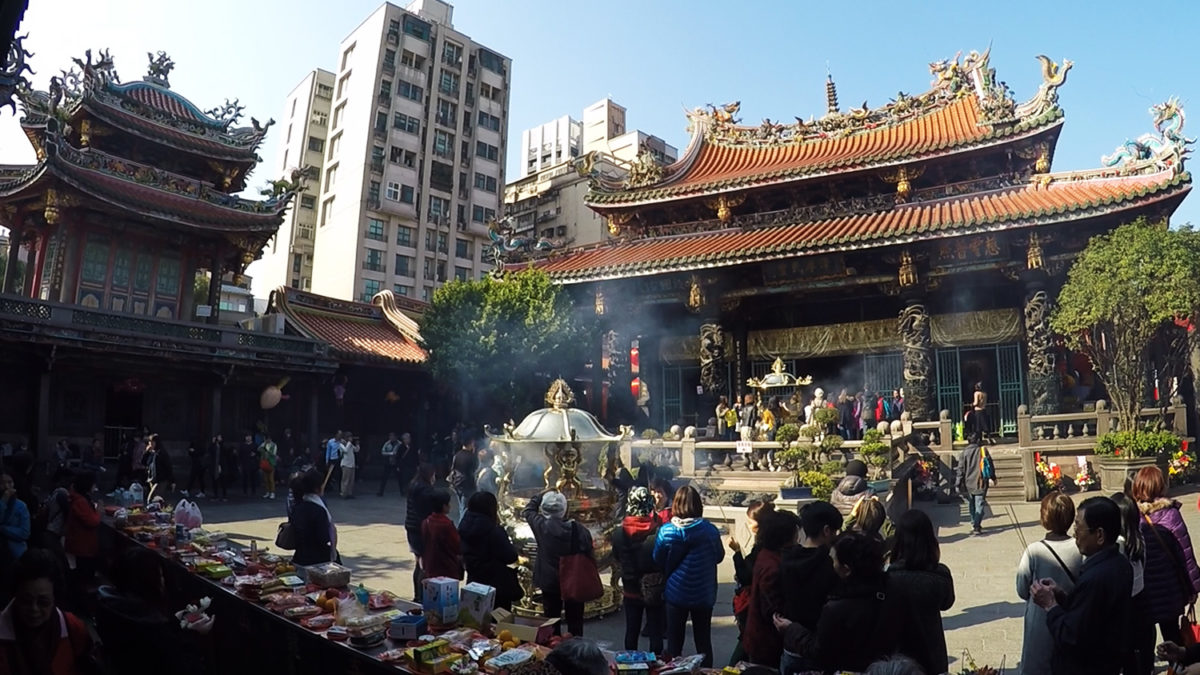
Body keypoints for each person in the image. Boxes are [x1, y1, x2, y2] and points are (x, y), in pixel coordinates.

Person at [1030, 496, 1132, 675]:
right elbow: (1091, 614)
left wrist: (1050, 605)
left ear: (1099, 535)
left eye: (1079, 526)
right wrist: (1061, 596)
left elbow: (1071, 636)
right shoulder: (1119, 562)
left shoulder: (1097, 577)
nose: (1075, 532)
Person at [775, 532, 899, 673]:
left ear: (846, 569)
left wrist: (791, 629)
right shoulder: (892, 592)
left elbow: (820, 652)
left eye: (833, 560)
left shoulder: (836, 609)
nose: (831, 564)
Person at [96, 546, 213, 675]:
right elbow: (183, 668)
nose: (163, 582)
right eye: (160, 576)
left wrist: (177, 624)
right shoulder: (151, 628)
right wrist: (196, 635)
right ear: (149, 583)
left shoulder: (107, 604)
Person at [1014, 490, 1083, 675]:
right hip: (1071, 617)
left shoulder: (1034, 551)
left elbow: (1022, 590)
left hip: (1040, 621)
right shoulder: (1081, 548)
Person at [654, 485, 724, 666]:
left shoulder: (667, 531)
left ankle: (675, 670)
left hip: (676, 594)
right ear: (698, 505)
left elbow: (658, 558)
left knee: (674, 643)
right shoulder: (710, 530)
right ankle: (706, 671)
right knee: (703, 641)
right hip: (704, 594)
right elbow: (719, 556)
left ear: (675, 504)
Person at [1132, 465, 1200, 646]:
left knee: (1144, 637)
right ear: (1161, 486)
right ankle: (1177, 668)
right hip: (1169, 589)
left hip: (1142, 590)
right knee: (1172, 635)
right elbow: (1185, 553)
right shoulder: (1170, 515)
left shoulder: (1132, 516)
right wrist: (1193, 587)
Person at [0, 549, 94, 674]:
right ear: (15, 595)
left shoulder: (73, 629)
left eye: (43, 602)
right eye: (25, 601)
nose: (34, 609)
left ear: (55, 597)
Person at [779, 501, 844, 675]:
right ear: (826, 530)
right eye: (835, 531)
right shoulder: (828, 565)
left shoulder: (785, 559)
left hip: (790, 641)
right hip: (818, 644)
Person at [887, 509, 954, 675]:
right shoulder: (939, 575)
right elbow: (947, 603)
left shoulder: (888, 577)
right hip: (932, 650)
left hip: (898, 650)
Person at [523, 490, 593, 637]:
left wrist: (541, 494)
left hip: (549, 581)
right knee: (575, 621)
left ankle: (552, 650)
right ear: (565, 509)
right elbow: (589, 553)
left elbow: (528, 510)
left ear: (543, 509)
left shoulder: (541, 526)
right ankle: (575, 651)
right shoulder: (580, 530)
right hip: (573, 580)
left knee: (551, 621)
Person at [743, 509, 800, 667]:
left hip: (758, 637)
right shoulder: (773, 567)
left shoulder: (766, 554)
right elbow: (772, 609)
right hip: (766, 642)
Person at [612, 487, 665, 653]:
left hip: (630, 587)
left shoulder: (619, 532)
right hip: (653, 587)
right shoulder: (658, 531)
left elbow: (616, 556)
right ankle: (656, 665)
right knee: (656, 631)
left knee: (632, 630)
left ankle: (630, 665)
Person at [728, 500, 774, 665]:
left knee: (740, 659)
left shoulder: (763, 548)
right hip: (758, 613)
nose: (748, 525)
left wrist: (738, 553)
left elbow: (746, 575)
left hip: (756, 612)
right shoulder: (767, 543)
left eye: (751, 522)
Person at [459, 491, 521, 610]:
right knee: (496, 624)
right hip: (495, 586)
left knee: (474, 618)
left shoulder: (463, 526)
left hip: (473, 582)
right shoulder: (494, 531)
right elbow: (510, 557)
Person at [1112, 492, 1151, 675]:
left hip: (1124, 606)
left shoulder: (1117, 546)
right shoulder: (1139, 538)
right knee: (1140, 653)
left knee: (1126, 655)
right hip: (1141, 601)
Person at [62, 473, 100, 608]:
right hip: (82, 545)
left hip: (82, 543)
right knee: (83, 576)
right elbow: (92, 521)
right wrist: (98, 511)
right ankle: (81, 604)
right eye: (93, 484)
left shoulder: (79, 499)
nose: (95, 487)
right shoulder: (80, 501)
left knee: (82, 574)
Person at [287, 468, 336, 566]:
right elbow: (323, 538)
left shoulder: (297, 507)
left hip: (300, 557)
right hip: (318, 560)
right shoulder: (319, 510)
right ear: (317, 488)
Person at [405, 464, 436, 602]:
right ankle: (421, 596)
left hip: (411, 527)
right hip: (420, 529)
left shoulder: (414, 485)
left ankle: (418, 594)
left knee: (418, 562)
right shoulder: (425, 490)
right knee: (423, 564)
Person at [956, 433, 995, 535]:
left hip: (968, 483)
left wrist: (958, 483)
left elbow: (960, 469)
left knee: (972, 504)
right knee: (979, 504)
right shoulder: (983, 451)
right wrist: (993, 477)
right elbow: (990, 465)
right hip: (981, 481)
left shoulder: (964, 453)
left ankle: (974, 522)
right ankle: (976, 525)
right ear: (977, 440)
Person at [420, 489, 463, 581]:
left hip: (430, 566)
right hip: (447, 568)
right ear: (444, 506)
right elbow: (457, 546)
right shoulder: (447, 524)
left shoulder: (426, 522)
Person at [0, 472, 30, 568]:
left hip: (17, 553)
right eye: (2, 483)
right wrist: (3, 501)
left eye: (10, 482)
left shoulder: (21, 506)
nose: (6, 486)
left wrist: (3, 528)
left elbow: (24, 532)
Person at [450, 441, 479, 523]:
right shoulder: (471, 457)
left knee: (461, 506)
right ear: (470, 444)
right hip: (467, 485)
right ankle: (461, 528)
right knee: (465, 508)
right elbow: (474, 471)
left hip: (456, 483)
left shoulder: (457, 454)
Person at [376, 433, 402, 497]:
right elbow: (383, 452)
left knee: (400, 478)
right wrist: (390, 453)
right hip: (388, 462)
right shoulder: (387, 443)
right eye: (390, 436)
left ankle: (402, 491)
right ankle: (381, 491)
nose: (391, 438)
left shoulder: (399, 444)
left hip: (396, 463)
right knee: (384, 477)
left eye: (393, 436)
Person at [339, 433, 358, 499]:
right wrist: (349, 443)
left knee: (351, 480)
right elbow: (346, 450)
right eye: (350, 437)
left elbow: (356, 450)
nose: (351, 439)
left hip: (352, 464)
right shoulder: (342, 444)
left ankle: (350, 493)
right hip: (346, 464)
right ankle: (344, 493)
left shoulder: (350, 445)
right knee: (345, 480)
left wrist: (357, 444)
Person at [258, 434, 278, 499]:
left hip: (271, 463)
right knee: (266, 479)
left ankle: (272, 492)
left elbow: (274, 454)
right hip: (264, 463)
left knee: (271, 479)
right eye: (266, 439)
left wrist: (266, 451)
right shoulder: (263, 444)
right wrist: (263, 445)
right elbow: (258, 449)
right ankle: (267, 492)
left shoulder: (274, 445)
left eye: (268, 439)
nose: (267, 440)